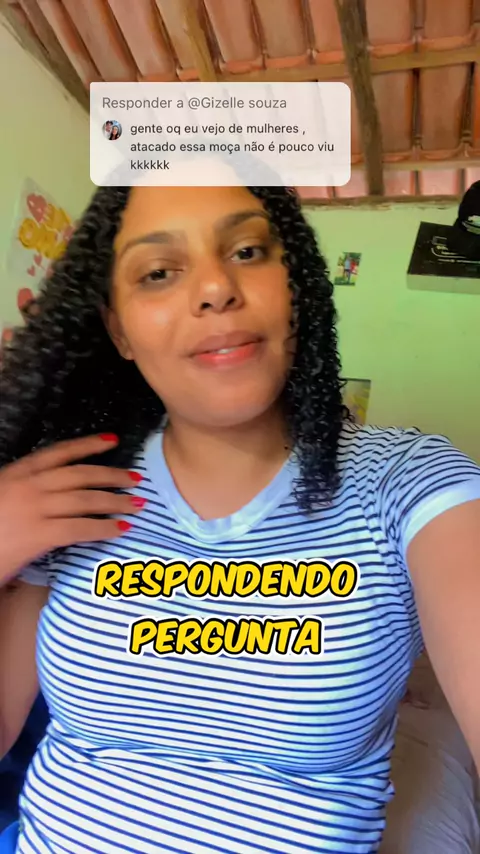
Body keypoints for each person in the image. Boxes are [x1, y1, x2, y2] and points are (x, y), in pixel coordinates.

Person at [0, 164, 479, 854]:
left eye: (248, 251)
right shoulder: (72, 486)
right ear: (119, 330)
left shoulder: (408, 483)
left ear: (297, 289)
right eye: (158, 272)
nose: (215, 288)